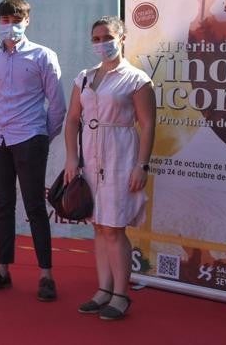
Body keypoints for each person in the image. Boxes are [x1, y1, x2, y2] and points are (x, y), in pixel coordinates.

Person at [63, 16, 156, 320]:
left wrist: (142, 165)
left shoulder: (136, 79)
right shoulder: (85, 77)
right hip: (90, 158)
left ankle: (120, 294)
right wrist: (71, 158)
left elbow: (148, 124)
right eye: (96, 38)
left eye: (107, 36)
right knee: (100, 227)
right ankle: (103, 290)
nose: (102, 43)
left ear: (122, 37)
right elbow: (73, 119)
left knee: (115, 228)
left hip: (121, 157)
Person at [0, 0, 65, 301]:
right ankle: (2, 270)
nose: (11, 26)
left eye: (17, 20)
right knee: (3, 206)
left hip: (30, 138)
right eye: (5, 20)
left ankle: (46, 275)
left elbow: (57, 105)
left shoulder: (44, 56)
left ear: (27, 21)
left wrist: (42, 136)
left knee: (35, 208)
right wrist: (2, 127)